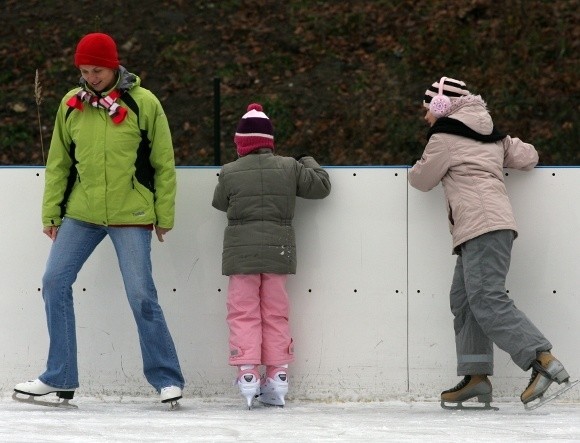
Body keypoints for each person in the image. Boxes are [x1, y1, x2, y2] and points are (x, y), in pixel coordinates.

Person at [14, 33, 185, 406]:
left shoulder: (144, 104)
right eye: (84, 70)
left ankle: (167, 379)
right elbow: (58, 163)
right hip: (82, 212)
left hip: (132, 213)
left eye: (97, 70)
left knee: (141, 294)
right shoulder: (71, 105)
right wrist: (51, 212)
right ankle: (59, 375)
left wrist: (164, 215)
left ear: (113, 66)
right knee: (54, 281)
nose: (90, 77)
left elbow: (163, 164)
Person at [408, 77, 572, 410]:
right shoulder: (493, 135)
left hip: (481, 226)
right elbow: (528, 156)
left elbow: (420, 179)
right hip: (487, 226)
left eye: (427, 108)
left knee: (485, 298)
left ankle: (542, 360)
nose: (425, 116)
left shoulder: (444, 137)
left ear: (441, 106)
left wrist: (420, 161)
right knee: (465, 299)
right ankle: (476, 377)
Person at [212, 103, 331, 408]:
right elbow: (321, 186)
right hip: (279, 251)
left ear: (241, 143)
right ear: (268, 142)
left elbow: (220, 203)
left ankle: (248, 370)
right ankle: (277, 374)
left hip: (241, 256)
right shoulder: (289, 166)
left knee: (243, 311)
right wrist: (307, 159)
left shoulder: (229, 171)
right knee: (275, 311)